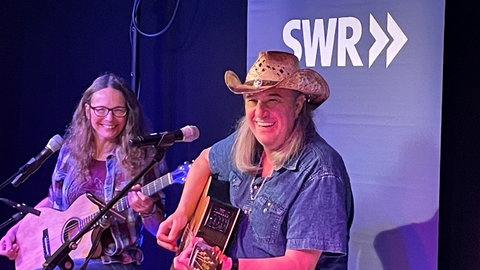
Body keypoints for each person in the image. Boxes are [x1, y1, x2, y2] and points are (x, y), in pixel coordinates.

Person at [156, 51, 354, 270]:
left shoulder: (320, 170)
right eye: (252, 100)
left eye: (273, 100)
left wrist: (227, 266)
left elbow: (300, 264)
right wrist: (182, 213)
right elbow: (204, 161)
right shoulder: (248, 141)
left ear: (297, 106)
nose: (260, 112)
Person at [0, 73, 168, 269]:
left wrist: (147, 211)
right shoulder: (70, 151)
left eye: (118, 110)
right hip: (66, 259)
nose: (109, 118)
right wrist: (17, 231)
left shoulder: (144, 157)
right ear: (87, 111)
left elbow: (159, 230)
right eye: (101, 110)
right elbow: (53, 201)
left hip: (114, 262)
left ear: (129, 113)